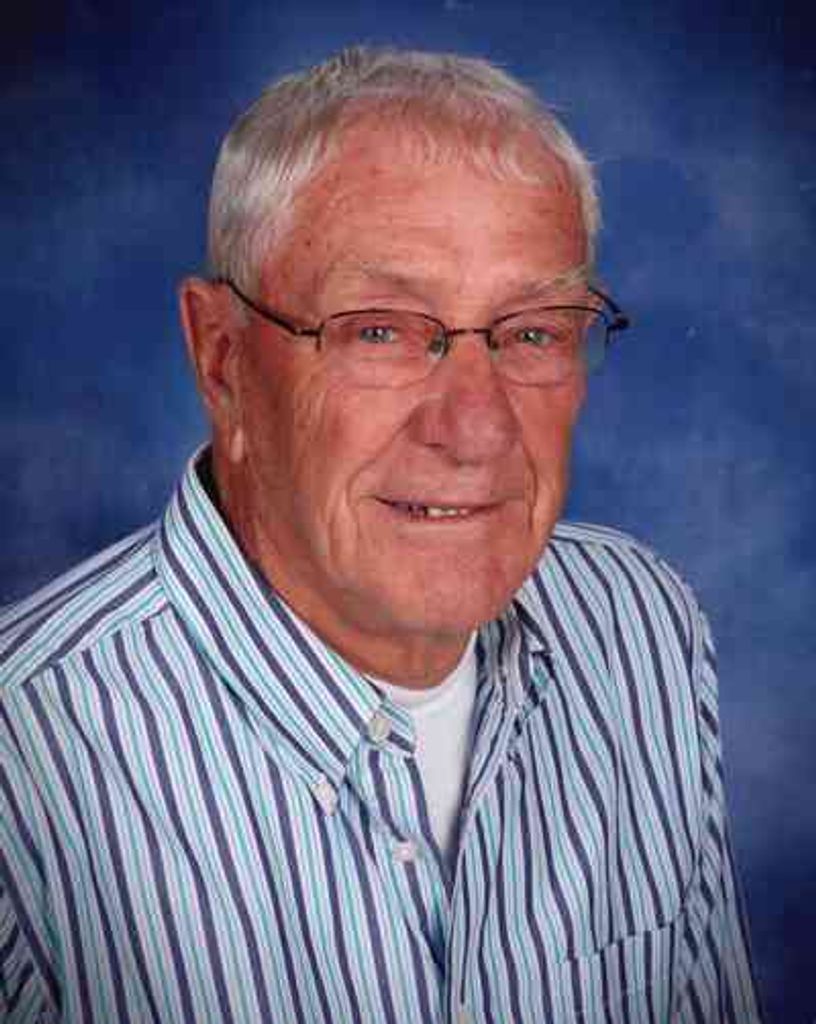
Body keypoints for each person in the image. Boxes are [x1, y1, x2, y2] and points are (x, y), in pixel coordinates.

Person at [0, 46, 762, 1024]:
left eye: (534, 331)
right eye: (380, 331)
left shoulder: (643, 629)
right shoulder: (27, 760)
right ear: (223, 360)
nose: (476, 428)